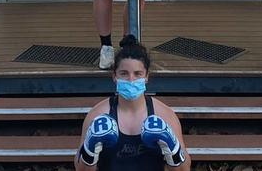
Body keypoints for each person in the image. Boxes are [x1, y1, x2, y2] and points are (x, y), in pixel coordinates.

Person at [75, 42, 191, 171]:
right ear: (114, 76)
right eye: (124, 73)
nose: (131, 80)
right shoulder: (97, 115)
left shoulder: (164, 115)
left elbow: (184, 169)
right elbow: (81, 169)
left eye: (137, 74)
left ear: (147, 76)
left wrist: (173, 149)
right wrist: (89, 150)